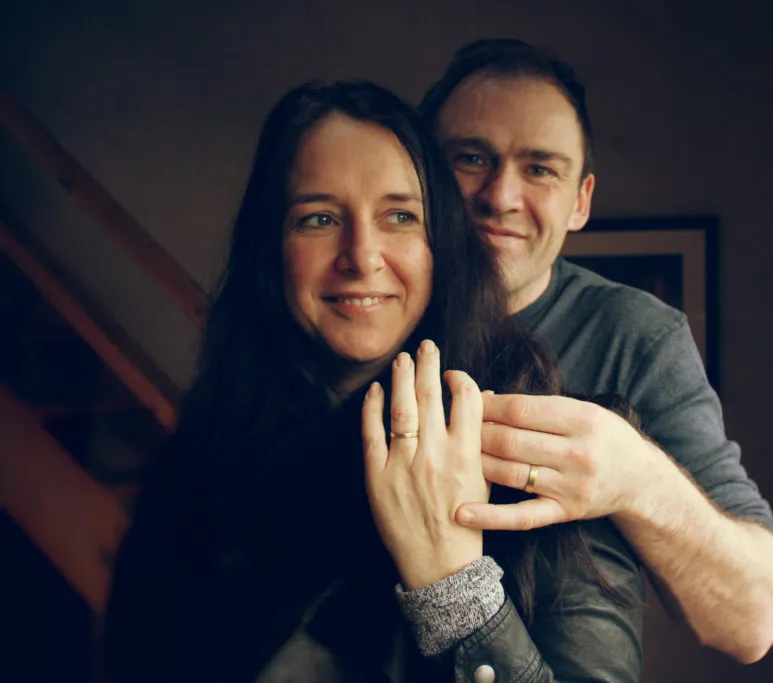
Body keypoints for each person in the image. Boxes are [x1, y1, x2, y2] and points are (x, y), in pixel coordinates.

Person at [103, 80, 643, 683]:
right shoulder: (209, 447)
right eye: (320, 218)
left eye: (400, 217)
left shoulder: (547, 450)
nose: (361, 256)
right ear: (271, 248)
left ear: (443, 243)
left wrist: (452, 587)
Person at [419, 39, 773, 663]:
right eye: (471, 157)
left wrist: (636, 480)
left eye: (540, 168)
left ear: (581, 201)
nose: (501, 195)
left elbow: (752, 622)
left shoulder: (639, 336)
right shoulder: (367, 306)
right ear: (423, 173)